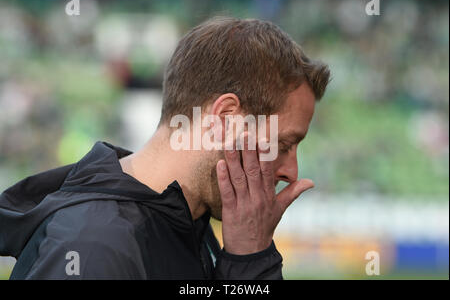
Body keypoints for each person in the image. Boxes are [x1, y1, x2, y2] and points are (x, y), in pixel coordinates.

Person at [0, 17, 330, 279]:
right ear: (227, 119)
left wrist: (249, 259)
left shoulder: (185, 223)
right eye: (283, 144)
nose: (291, 171)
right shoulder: (95, 249)